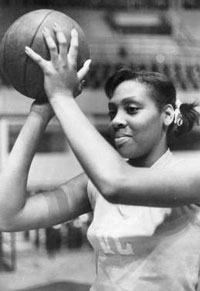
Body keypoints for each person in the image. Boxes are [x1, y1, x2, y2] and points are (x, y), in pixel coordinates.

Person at [0, 23, 200, 290]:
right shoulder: (92, 184)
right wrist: (41, 111)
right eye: (112, 111)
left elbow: (117, 184)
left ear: (166, 115)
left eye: (131, 109)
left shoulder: (191, 177)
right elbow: (9, 215)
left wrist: (61, 96)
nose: (116, 120)